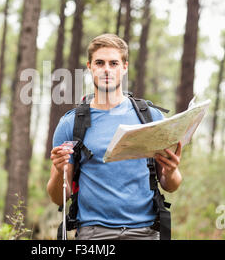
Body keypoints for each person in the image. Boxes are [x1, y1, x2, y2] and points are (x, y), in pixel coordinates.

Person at [46, 33, 182, 240]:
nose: (107, 69)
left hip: (146, 232)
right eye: (99, 63)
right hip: (93, 234)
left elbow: (170, 185)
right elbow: (58, 198)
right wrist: (58, 170)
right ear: (89, 66)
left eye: (114, 63)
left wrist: (171, 172)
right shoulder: (70, 124)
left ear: (124, 67)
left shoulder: (151, 117)